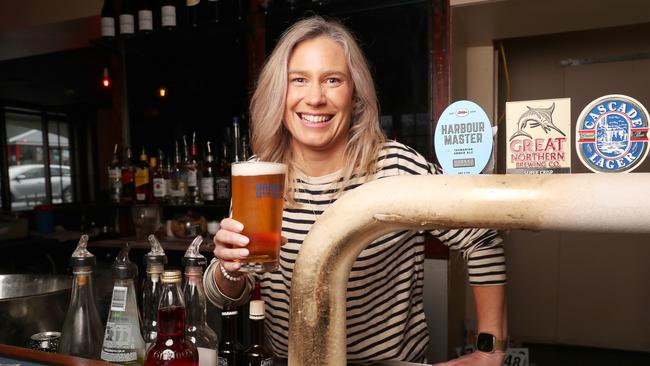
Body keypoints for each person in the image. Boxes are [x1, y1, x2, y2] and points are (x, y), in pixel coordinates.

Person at [203, 16, 507, 365]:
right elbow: (225, 294)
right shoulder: (260, 176)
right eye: (298, 80)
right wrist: (228, 268)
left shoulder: (395, 168)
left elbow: (482, 235)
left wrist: (490, 349)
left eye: (332, 80)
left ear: (355, 93)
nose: (315, 98)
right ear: (279, 92)